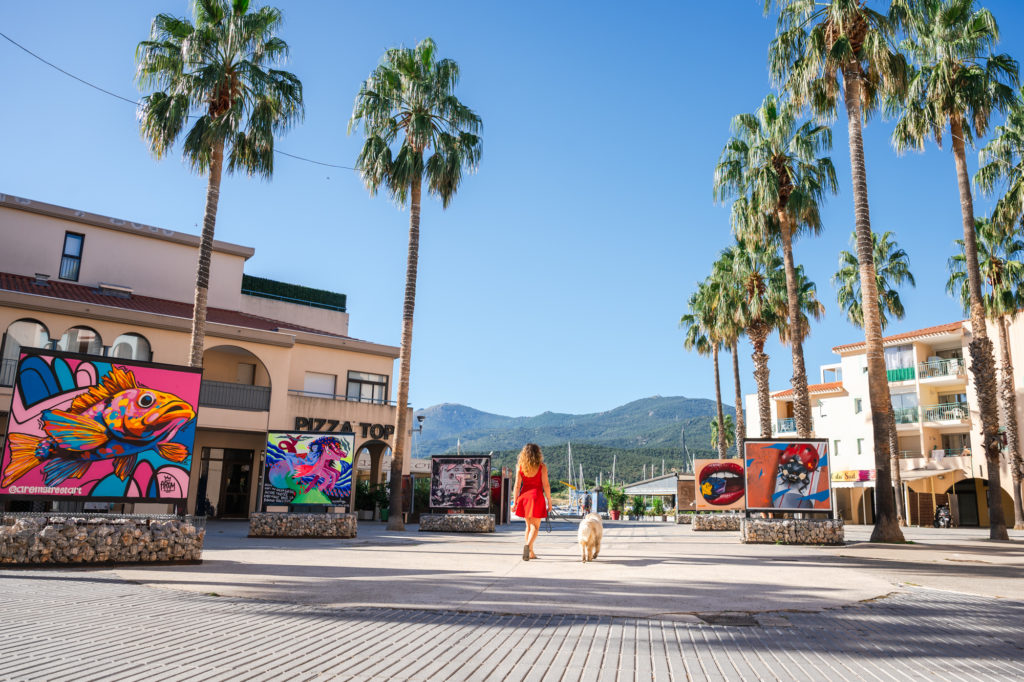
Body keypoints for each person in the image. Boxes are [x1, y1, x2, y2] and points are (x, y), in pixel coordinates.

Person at [512, 443, 551, 560]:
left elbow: (517, 486)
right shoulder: (542, 467)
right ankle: (528, 547)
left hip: (524, 498)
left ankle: (531, 553)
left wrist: (515, 502)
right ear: (538, 454)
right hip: (536, 497)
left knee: (528, 526)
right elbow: (546, 485)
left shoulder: (520, 467)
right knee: (535, 527)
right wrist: (549, 501)